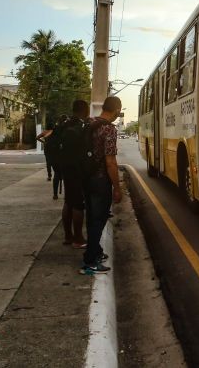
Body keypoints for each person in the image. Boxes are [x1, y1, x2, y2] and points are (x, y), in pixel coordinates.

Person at [80, 96, 123, 275]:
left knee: (91, 217)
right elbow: (111, 162)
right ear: (116, 110)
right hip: (100, 180)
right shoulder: (109, 129)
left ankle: (95, 251)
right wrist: (117, 187)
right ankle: (90, 262)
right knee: (99, 218)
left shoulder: (90, 123)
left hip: (86, 177)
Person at [60, 101, 89, 248]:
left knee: (68, 202)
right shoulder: (81, 126)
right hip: (77, 169)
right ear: (84, 110)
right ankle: (78, 239)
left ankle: (67, 236)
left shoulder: (65, 124)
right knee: (78, 204)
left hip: (65, 168)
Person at [46, 114, 68, 200]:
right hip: (63, 156)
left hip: (54, 156)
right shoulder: (66, 129)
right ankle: (66, 195)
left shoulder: (55, 129)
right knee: (65, 175)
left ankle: (55, 194)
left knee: (57, 174)